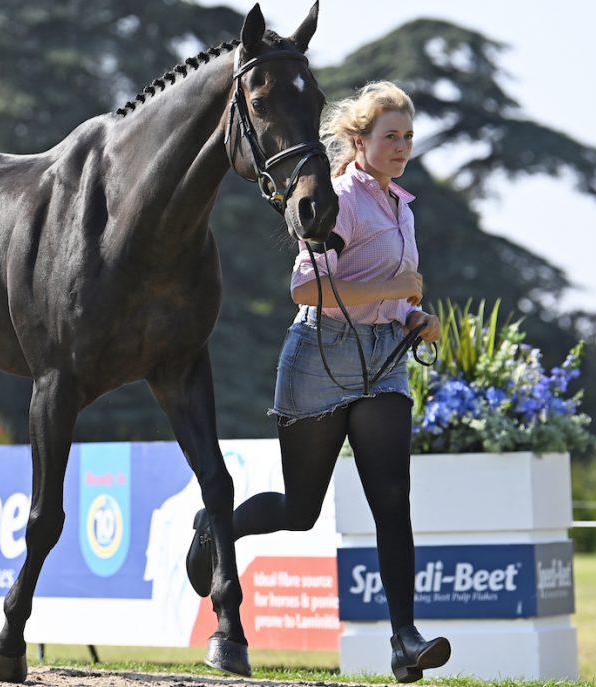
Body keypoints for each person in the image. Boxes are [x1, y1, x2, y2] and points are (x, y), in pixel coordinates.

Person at [186, 81, 450, 683]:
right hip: (319, 362)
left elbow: (389, 290)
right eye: (391, 137)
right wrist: (394, 290)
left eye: (408, 137)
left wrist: (415, 318)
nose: (402, 147)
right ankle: (215, 525)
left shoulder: (400, 204)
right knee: (301, 511)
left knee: (392, 505)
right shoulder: (339, 198)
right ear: (358, 141)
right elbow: (306, 290)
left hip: (383, 361)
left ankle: (404, 641)